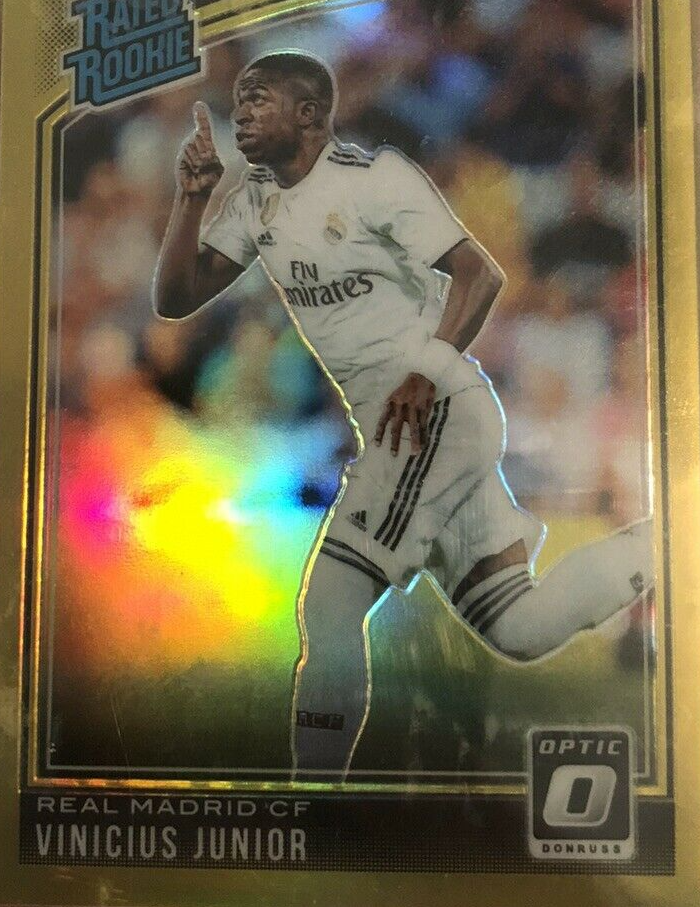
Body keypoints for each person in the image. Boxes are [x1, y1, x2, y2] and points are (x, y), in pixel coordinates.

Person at [154, 51, 652, 780]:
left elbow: (480, 274)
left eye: (260, 99)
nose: (243, 113)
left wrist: (427, 372)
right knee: (519, 625)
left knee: (329, 606)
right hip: (411, 426)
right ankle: (666, 546)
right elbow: (176, 298)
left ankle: (314, 802)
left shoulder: (376, 180)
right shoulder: (255, 199)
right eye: (240, 100)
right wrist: (191, 198)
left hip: (430, 416)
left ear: (310, 115)